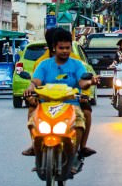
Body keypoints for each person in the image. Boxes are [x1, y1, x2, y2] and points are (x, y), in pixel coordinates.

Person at [22, 27, 95, 158]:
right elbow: (35, 82)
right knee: (32, 114)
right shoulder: (43, 64)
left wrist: (90, 83)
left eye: (68, 48)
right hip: (46, 103)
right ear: (54, 47)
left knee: (81, 120)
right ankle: (36, 146)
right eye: (62, 48)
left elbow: (82, 82)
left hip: (72, 103)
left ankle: (78, 151)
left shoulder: (77, 64)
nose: (65, 51)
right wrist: (30, 89)